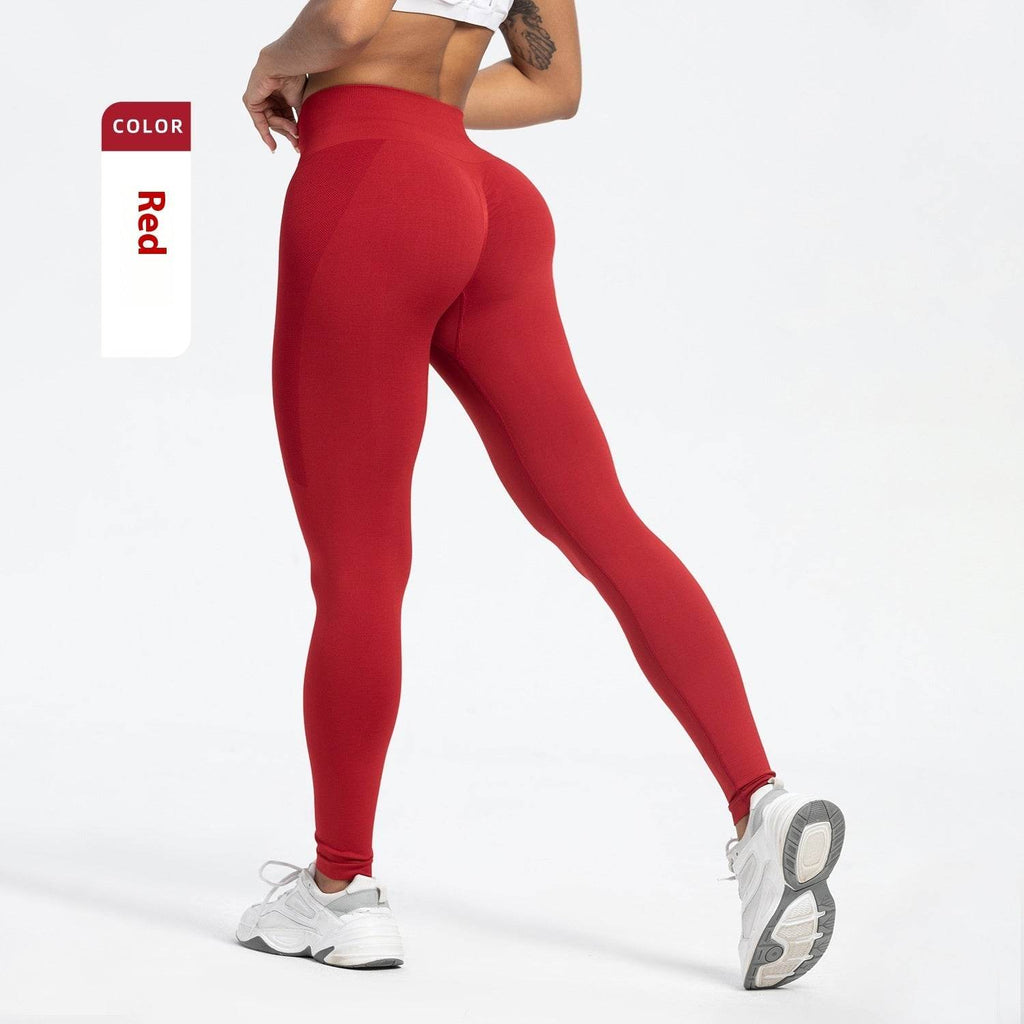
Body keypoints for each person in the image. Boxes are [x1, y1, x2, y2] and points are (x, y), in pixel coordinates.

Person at [237, 0, 844, 989]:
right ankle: (758, 801)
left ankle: (340, 888)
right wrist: (428, 114)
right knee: (603, 521)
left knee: (360, 565)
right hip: (484, 197)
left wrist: (275, 63)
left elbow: (346, 22)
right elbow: (553, 85)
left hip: (370, 186)